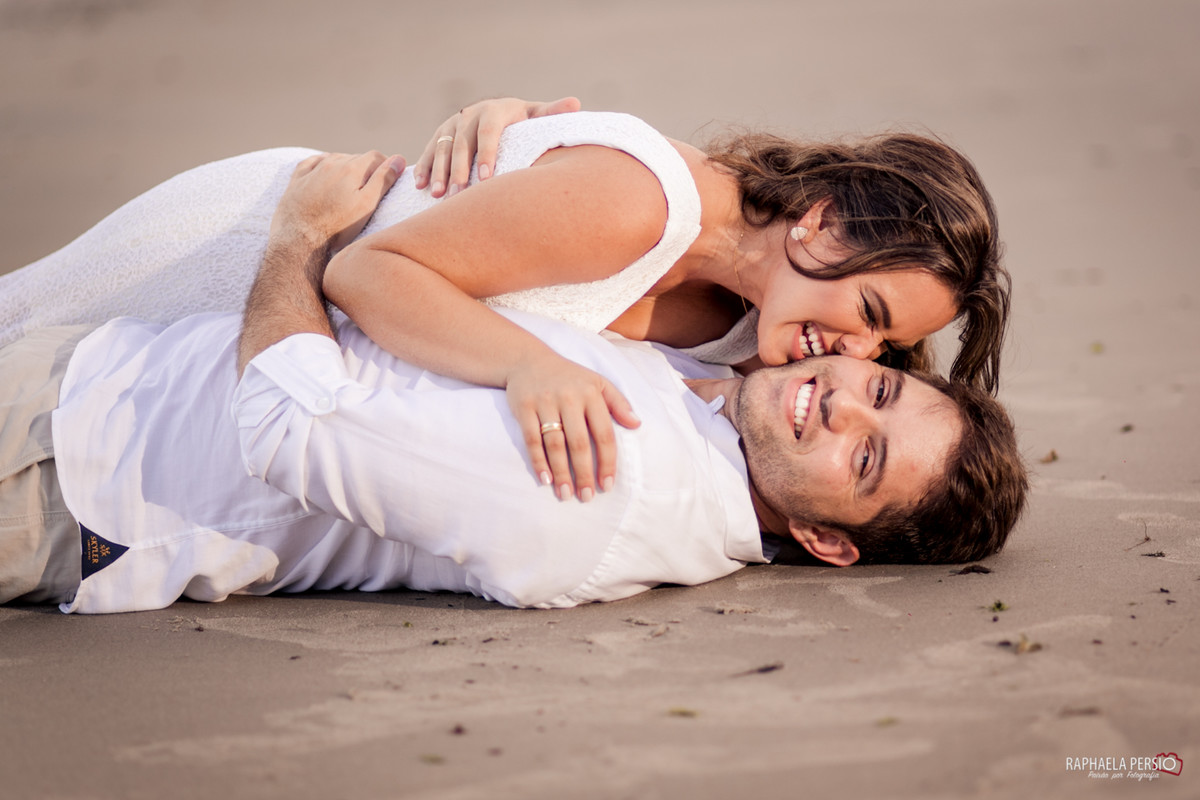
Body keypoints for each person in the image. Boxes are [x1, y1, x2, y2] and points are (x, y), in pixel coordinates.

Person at [0, 152, 1026, 614]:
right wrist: (519, 132)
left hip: (70, 459)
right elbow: (551, 230)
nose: (842, 385)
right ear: (820, 227)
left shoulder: (608, 481)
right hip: (133, 342)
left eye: (865, 452)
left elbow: (287, 424)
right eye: (882, 377)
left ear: (829, 539)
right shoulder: (714, 385)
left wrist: (298, 237)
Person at [0, 97, 1009, 504]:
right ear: (823, 224)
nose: (851, 353)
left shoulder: (755, 332)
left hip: (269, 342)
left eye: (881, 352)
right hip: (251, 245)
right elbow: (367, 273)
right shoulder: (641, 200)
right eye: (871, 313)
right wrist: (529, 363)